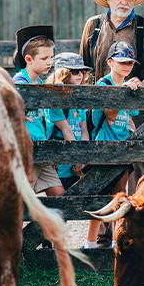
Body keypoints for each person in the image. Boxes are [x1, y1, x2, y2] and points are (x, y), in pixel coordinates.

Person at [80, 0, 144, 196]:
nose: (124, 1)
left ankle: (139, 222)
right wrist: (85, 104)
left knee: (139, 164)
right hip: (99, 109)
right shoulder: (93, 26)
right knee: (99, 164)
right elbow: (83, 68)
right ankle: (103, 231)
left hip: (136, 109)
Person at [84, 41, 139, 249]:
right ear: (110, 62)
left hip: (123, 150)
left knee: (120, 196)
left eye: (130, 63)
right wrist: (122, 92)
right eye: (122, 61)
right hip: (103, 150)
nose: (127, 66)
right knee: (99, 198)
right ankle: (90, 244)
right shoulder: (103, 85)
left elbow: (130, 116)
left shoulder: (129, 85)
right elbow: (110, 114)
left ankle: (116, 242)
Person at [12, 25, 65, 198]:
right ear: (28, 59)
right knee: (18, 201)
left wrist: (49, 153)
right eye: (44, 58)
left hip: (42, 151)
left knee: (59, 199)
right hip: (27, 154)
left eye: (51, 57)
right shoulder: (19, 84)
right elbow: (15, 125)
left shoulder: (41, 84)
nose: (49, 62)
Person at [44, 53, 92, 190]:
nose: (80, 75)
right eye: (75, 71)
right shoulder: (55, 100)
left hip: (75, 163)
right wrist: (76, 160)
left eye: (82, 71)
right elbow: (66, 130)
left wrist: (81, 159)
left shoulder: (78, 98)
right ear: (63, 73)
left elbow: (84, 131)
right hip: (59, 162)